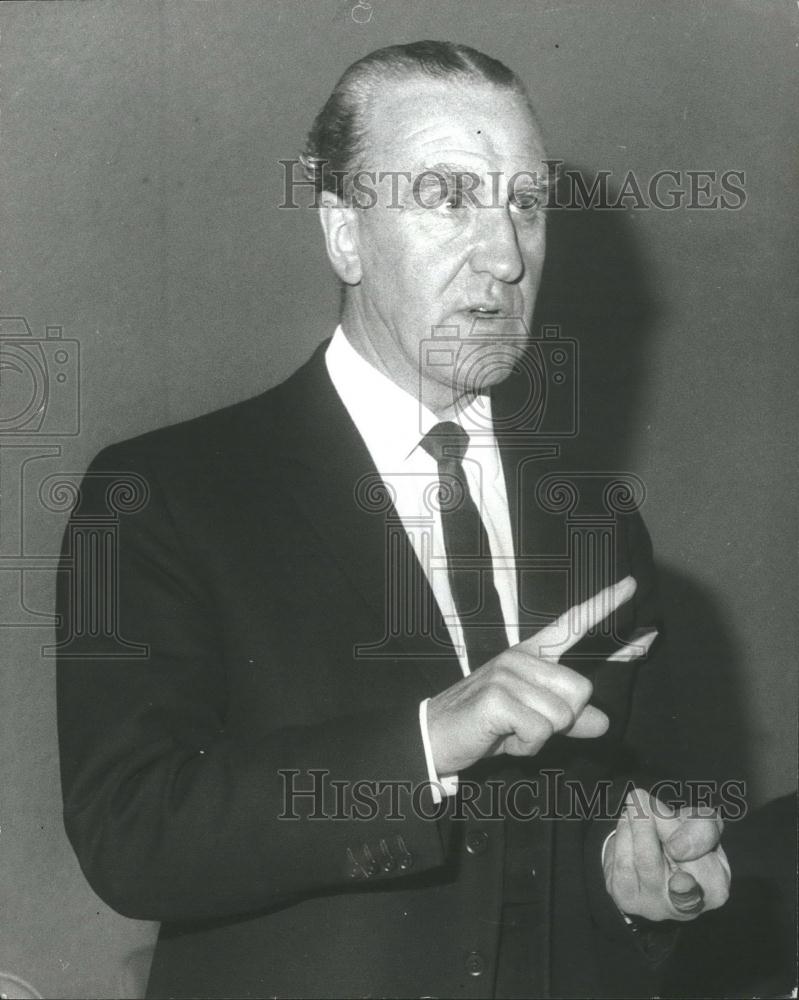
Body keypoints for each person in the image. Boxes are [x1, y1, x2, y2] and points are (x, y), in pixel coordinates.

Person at [56, 41, 730, 999]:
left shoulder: (596, 524)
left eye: (525, 205)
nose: (504, 255)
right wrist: (427, 739)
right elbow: (132, 836)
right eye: (449, 196)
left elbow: (552, 851)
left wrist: (635, 886)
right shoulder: (160, 494)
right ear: (342, 232)